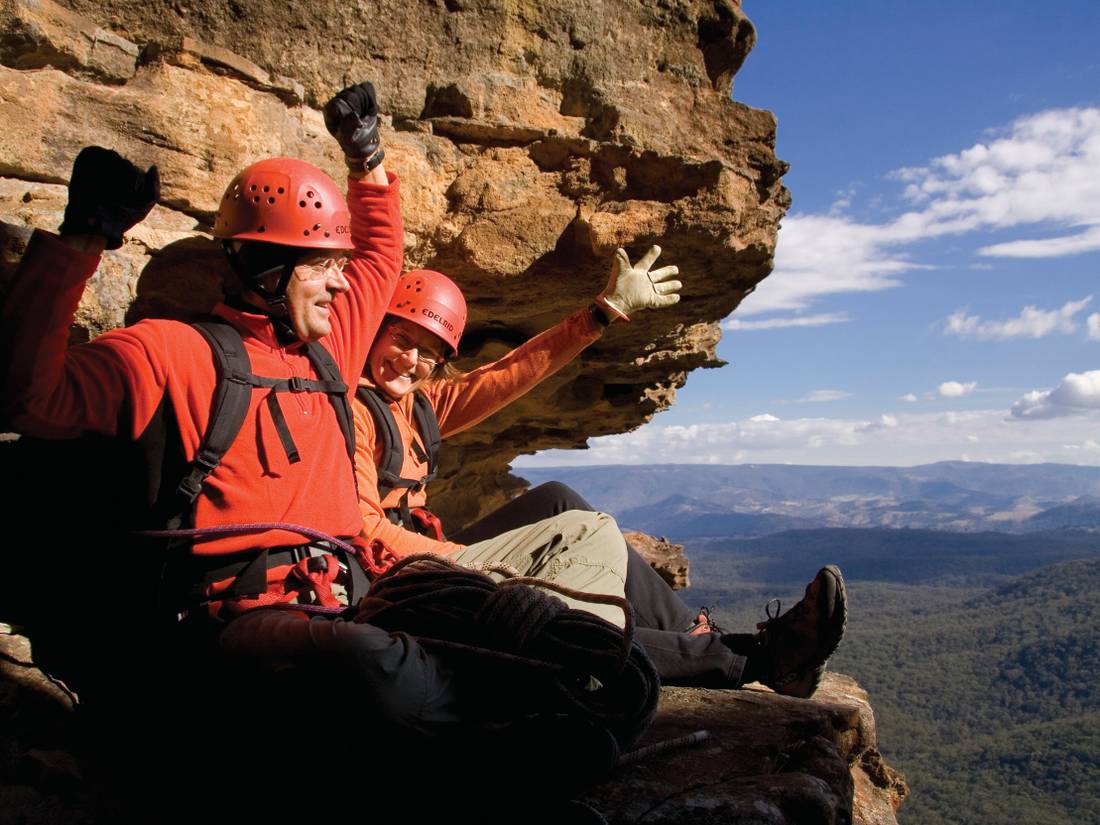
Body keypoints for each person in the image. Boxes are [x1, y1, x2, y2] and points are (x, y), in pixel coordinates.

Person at [352, 257, 847, 697]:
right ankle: (756, 660)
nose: (410, 360)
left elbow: (510, 373)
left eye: (428, 352)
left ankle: (688, 631)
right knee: (551, 588)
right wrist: (464, 561)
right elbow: (360, 525)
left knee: (559, 500)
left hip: (424, 556)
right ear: (375, 329)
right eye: (401, 338)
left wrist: (601, 313)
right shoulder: (349, 409)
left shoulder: (416, 404)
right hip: (391, 578)